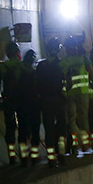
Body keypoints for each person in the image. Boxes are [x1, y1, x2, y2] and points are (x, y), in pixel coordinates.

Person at [35, 37, 66, 168]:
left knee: (48, 129)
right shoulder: (62, 65)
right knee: (61, 128)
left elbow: (35, 85)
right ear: (58, 50)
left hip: (45, 101)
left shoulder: (41, 66)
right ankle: (62, 156)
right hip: (59, 100)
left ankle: (51, 159)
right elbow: (68, 84)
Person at [0, 41, 25, 165]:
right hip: (21, 101)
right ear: (17, 53)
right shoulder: (21, 66)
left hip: (8, 101)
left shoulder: (2, 67)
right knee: (23, 126)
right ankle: (23, 154)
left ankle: (11, 156)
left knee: (10, 128)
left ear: (7, 53)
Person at [20, 49, 42, 166]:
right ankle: (34, 155)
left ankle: (23, 156)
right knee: (35, 130)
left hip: (22, 106)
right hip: (33, 105)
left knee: (23, 131)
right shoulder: (33, 74)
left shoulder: (19, 72)